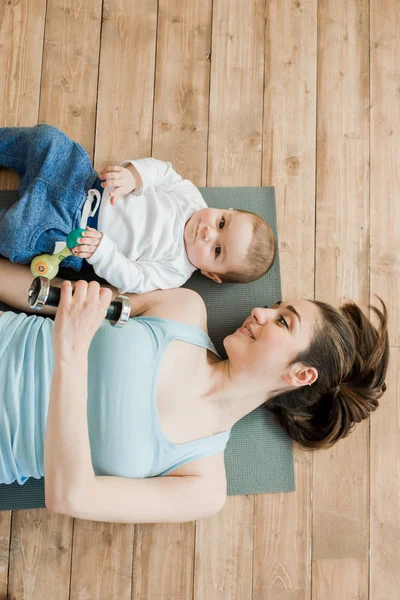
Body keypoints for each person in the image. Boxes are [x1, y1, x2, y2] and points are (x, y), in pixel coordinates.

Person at [0, 259, 388, 523]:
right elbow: (49, 297)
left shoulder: (202, 485)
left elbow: (71, 497)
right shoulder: (182, 308)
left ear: (301, 374)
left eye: (282, 321)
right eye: (274, 305)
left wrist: (71, 353)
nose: (260, 311)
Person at [0, 124, 276, 294]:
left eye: (217, 250)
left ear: (210, 274)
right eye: (222, 224)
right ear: (225, 210)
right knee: (48, 139)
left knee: (16, 233)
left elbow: (134, 278)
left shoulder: (175, 270)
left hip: (70, 232)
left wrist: (103, 251)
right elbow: (164, 173)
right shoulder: (191, 198)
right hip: (82, 181)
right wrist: (134, 176)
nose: (207, 233)